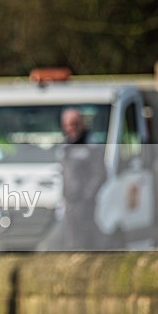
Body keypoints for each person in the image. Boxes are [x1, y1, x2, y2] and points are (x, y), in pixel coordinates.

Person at [59, 107, 106, 250]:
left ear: (82, 124)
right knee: (71, 237)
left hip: (84, 201)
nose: (71, 128)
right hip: (69, 201)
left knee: (86, 236)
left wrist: (87, 196)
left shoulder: (91, 145)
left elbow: (100, 174)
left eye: (75, 124)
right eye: (68, 124)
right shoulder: (65, 146)